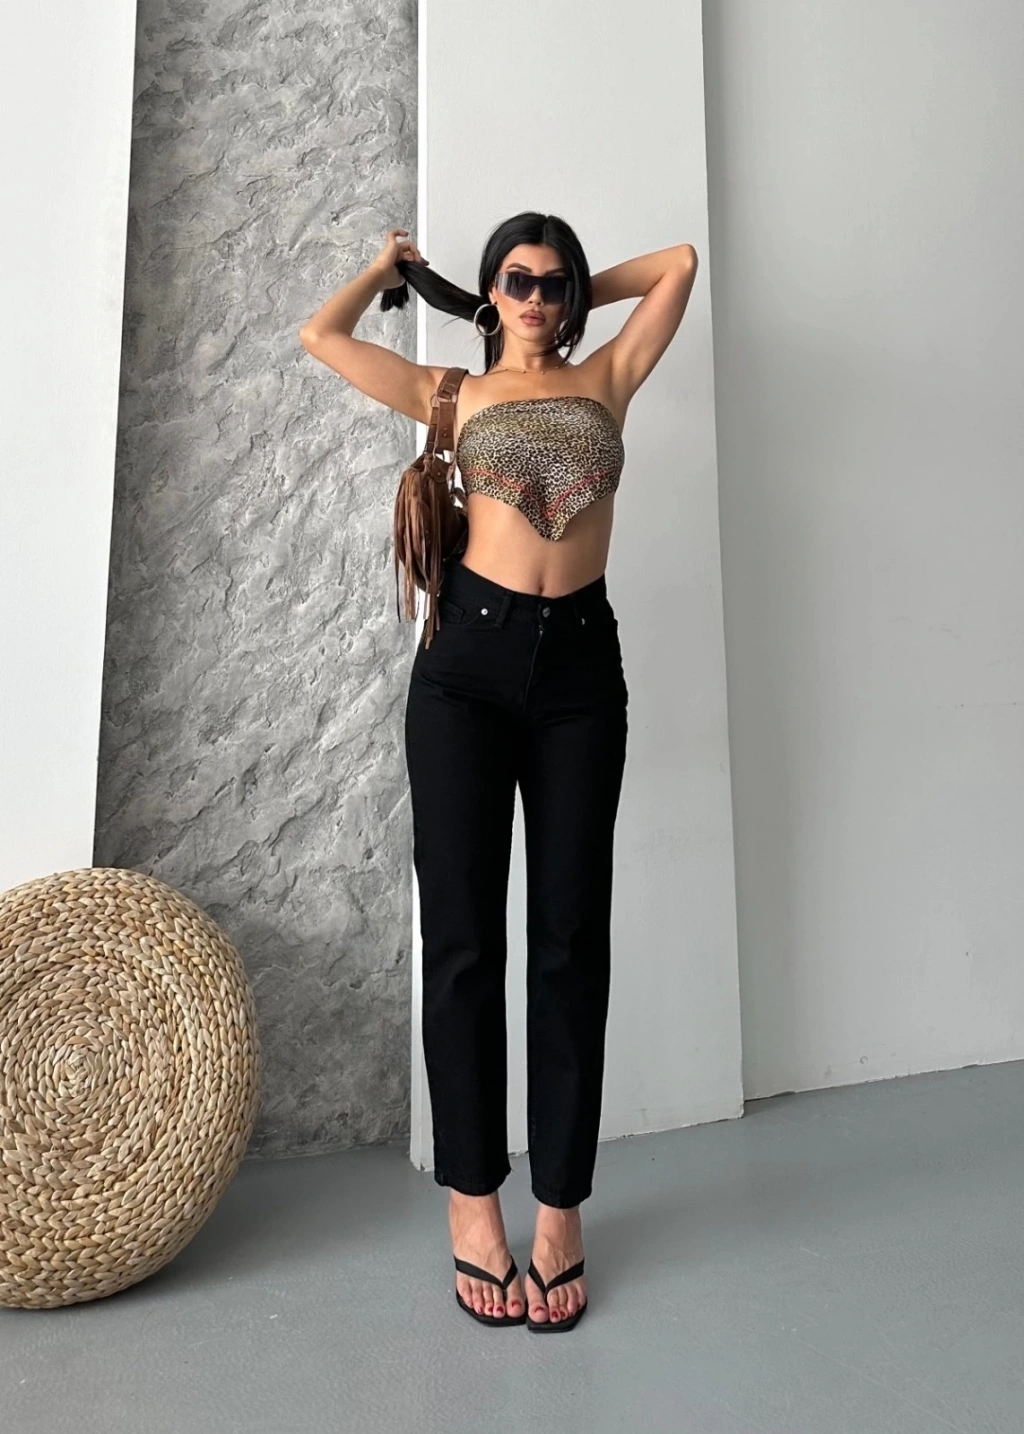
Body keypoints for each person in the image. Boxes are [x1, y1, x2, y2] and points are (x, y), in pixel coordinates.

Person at [300, 213, 697, 1331]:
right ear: (488, 292)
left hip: (580, 676)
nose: (534, 297)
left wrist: (571, 299)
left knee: (571, 936)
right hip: (464, 677)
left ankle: (560, 1210)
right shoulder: (452, 395)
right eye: (515, 281)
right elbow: (322, 335)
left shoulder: (609, 374)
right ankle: (474, 1204)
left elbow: (677, 265)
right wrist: (391, 270)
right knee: (464, 940)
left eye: (552, 283)